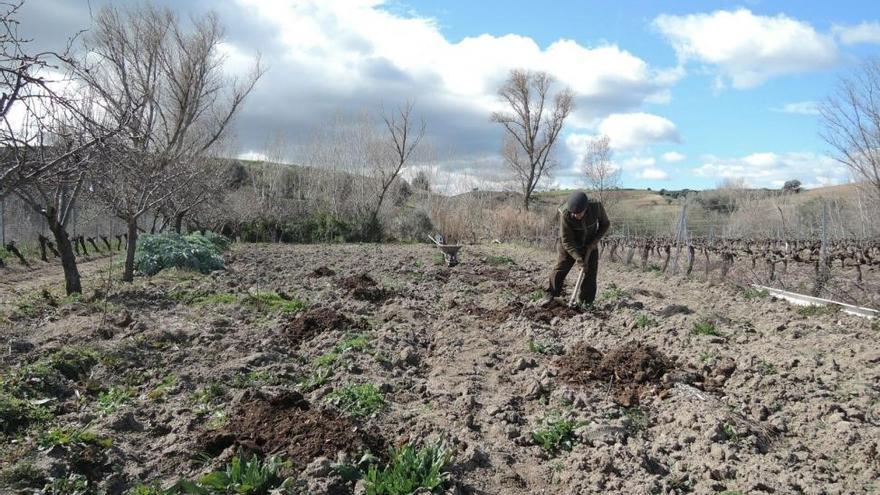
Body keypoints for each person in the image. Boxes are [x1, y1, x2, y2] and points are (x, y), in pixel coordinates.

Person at [547, 190, 610, 305]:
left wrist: (594, 242)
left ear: (586, 208)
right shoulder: (565, 214)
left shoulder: (596, 207)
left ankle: (586, 302)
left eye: (579, 213)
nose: (576, 215)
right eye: (573, 213)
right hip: (570, 244)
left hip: (590, 244)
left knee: (591, 273)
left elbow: (605, 224)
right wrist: (578, 259)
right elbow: (566, 240)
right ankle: (552, 295)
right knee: (561, 268)